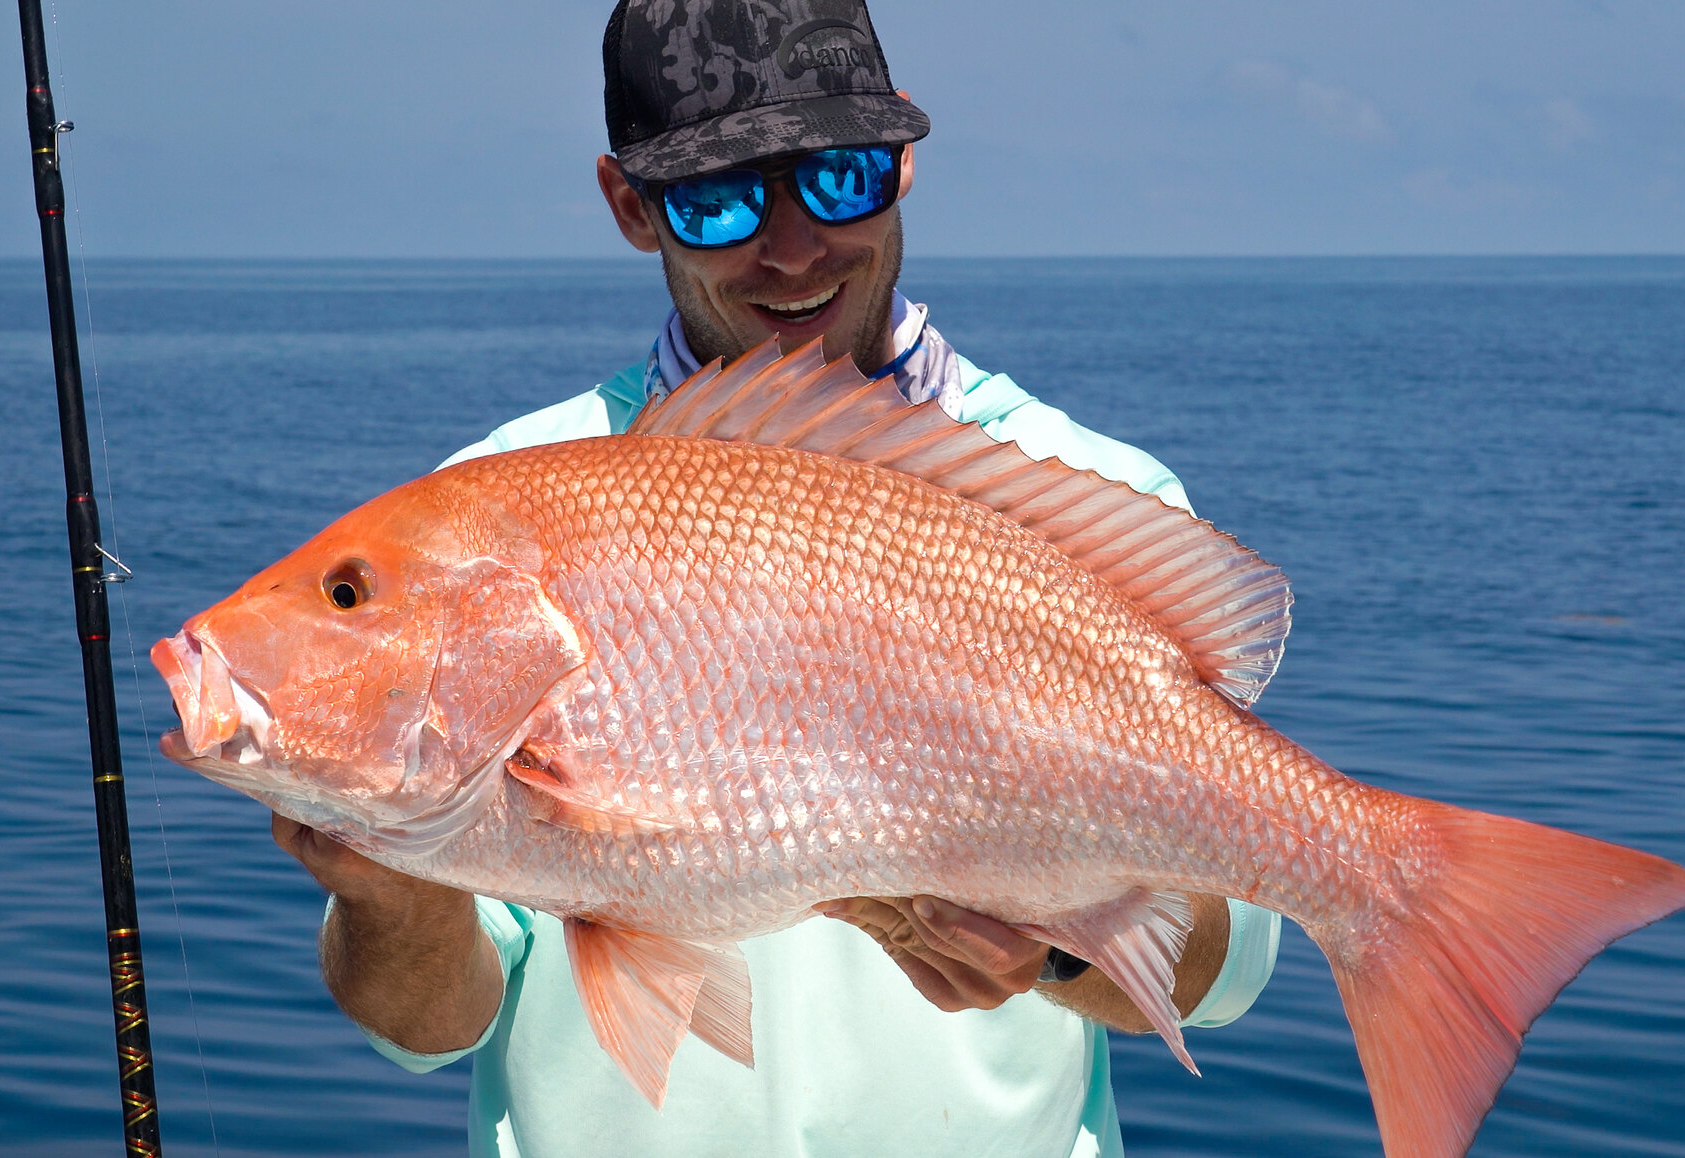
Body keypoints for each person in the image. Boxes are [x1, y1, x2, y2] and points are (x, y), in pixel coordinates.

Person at [273, 2, 1281, 1155]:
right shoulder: (483, 513)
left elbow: (1224, 973)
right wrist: (387, 890)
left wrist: (1056, 948)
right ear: (629, 206)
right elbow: (429, 1030)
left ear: (901, 162)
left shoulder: (1086, 492)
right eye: (719, 200)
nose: (793, 248)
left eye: (838, 179)